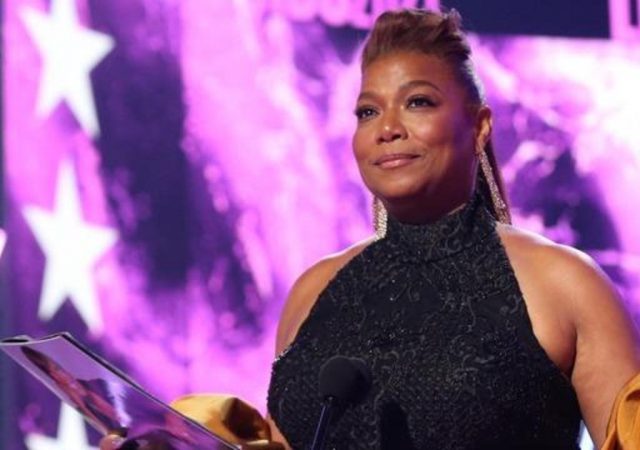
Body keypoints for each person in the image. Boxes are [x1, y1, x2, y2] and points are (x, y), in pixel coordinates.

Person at [101, 8, 640, 450]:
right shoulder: (314, 292)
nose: (387, 129)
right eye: (366, 112)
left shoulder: (563, 283)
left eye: (418, 102)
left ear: (479, 127)